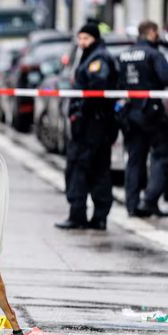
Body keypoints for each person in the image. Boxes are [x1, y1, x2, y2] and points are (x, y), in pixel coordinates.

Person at [55, 23, 118, 230]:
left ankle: (79, 215)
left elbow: (96, 90)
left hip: (92, 126)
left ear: (95, 38)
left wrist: (80, 114)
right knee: (98, 170)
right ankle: (98, 217)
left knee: (79, 168)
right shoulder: (92, 56)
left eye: (86, 38)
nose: (82, 42)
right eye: (80, 38)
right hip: (96, 125)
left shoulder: (97, 59)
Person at [117, 20, 168, 217]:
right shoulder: (153, 54)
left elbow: (118, 82)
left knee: (134, 159)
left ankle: (132, 204)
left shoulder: (124, 55)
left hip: (130, 113)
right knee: (161, 155)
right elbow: (165, 77)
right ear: (152, 33)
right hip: (151, 113)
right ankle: (150, 200)